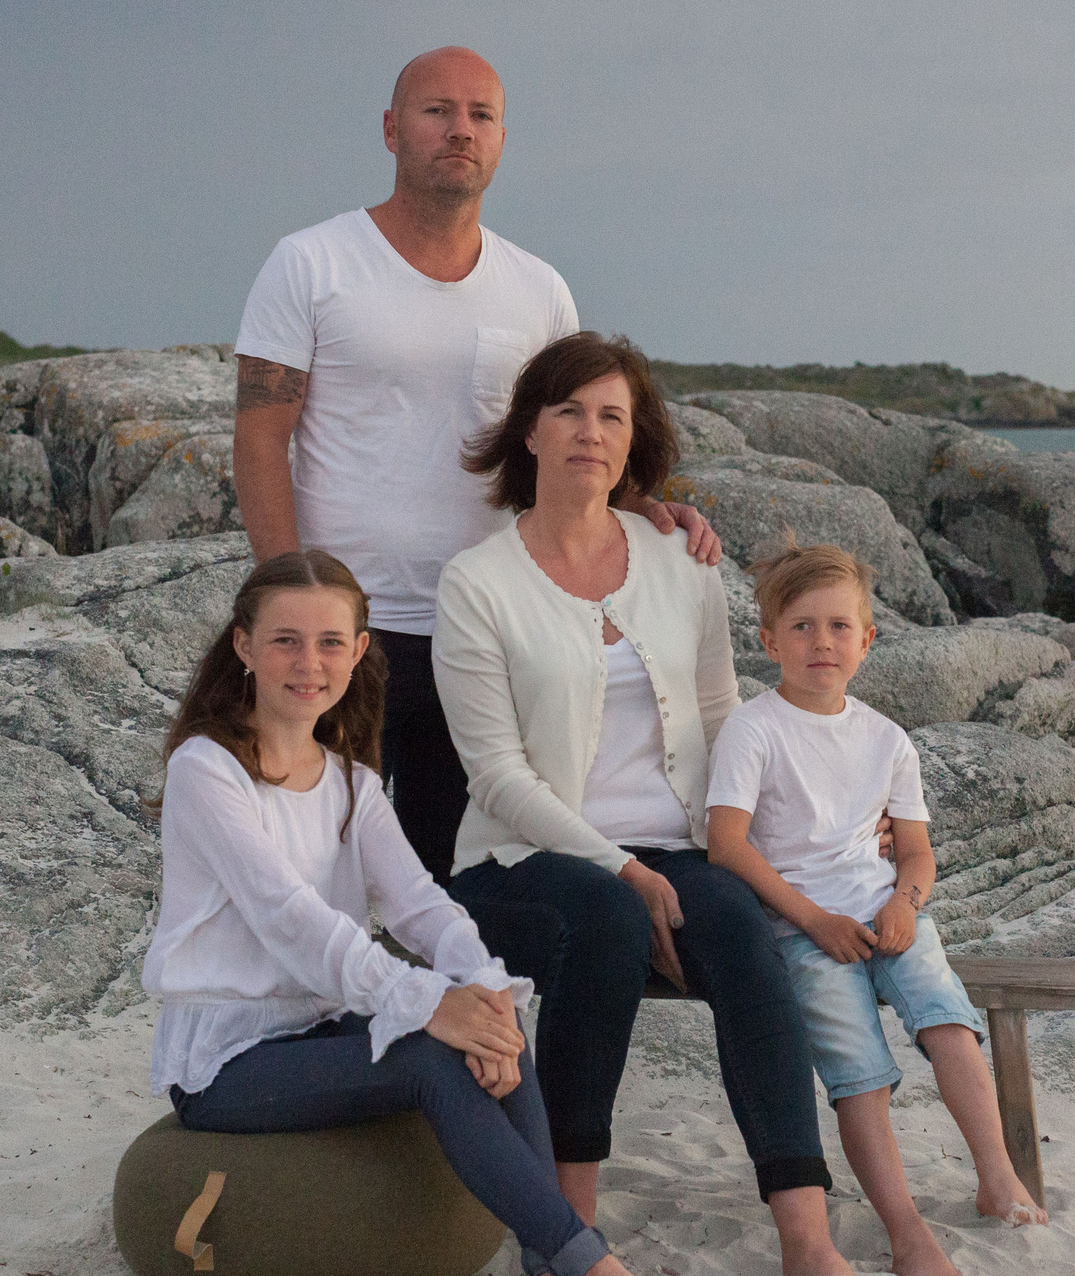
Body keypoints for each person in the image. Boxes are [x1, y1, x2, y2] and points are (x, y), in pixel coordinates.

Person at [432, 331, 887, 1276]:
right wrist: (619, 870)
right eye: (568, 411)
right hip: (523, 857)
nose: (589, 433)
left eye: (611, 416)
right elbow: (497, 777)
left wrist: (800, 835)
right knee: (603, 917)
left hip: (678, 846)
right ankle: (567, 1237)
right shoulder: (478, 583)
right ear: (531, 431)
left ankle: (806, 1240)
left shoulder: (679, 560)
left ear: (634, 441)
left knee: (737, 931)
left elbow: (728, 719)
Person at [142, 548, 686, 1276]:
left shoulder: (348, 779)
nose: (308, 663)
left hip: (319, 1033)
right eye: (285, 641)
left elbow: (423, 903)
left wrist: (479, 986)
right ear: (244, 648)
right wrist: (434, 1004)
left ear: (360, 653)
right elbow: (290, 920)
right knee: (435, 1053)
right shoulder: (207, 770)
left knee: (496, 1021)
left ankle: (552, 1274)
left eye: (330, 643)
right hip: (228, 1060)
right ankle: (591, 1271)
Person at [232, 45, 717, 880]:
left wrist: (647, 504)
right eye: (436, 111)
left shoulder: (539, 289)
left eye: (481, 115)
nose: (460, 130)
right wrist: (292, 598)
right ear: (391, 130)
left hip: (492, 622)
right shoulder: (312, 263)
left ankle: (457, 1009)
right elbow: (259, 437)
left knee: (460, 876)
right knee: (306, 860)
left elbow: (575, 426)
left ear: (501, 141)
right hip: (350, 625)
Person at [704, 542, 1048, 1276]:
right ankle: (906, 1230)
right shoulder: (753, 729)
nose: (820, 643)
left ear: (867, 639)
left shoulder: (886, 739)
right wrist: (812, 920)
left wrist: (905, 904)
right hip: (802, 930)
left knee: (946, 1016)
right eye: (800, 627)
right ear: (768, 641)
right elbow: (726, 845)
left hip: (888, 912)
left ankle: (996, 1176)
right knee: (859, 1071)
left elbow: (917, 854)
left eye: (837, 626)